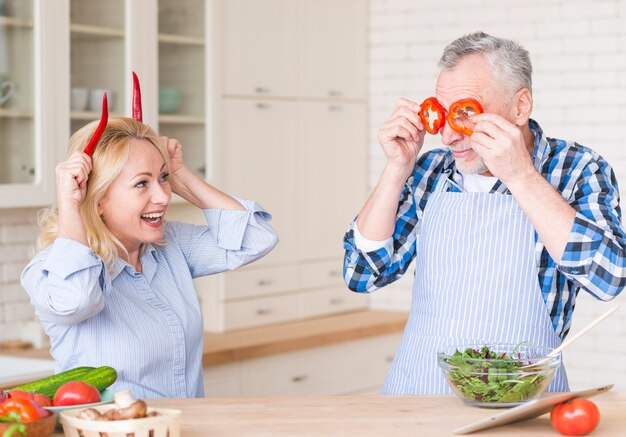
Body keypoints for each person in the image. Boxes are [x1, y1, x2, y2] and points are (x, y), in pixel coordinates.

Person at [342, 31, 626, 395]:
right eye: (441, 115)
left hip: (523, 397)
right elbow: (362, 274)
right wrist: (398, 168)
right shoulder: (429, 170)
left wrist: (521, 175)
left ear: (520, 107)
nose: (448, 137)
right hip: (418, 393)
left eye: (465, 113)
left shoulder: (577, 169)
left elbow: (610, 277)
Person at [21, 117, 278, 398]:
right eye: (142, 183)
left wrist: (180, 175)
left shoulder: (170, 245)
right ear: (98, 199)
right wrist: (71, 204)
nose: (163, 197)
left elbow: (256, 239)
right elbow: (75, 301)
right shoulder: (51, 270)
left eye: (162, 178)